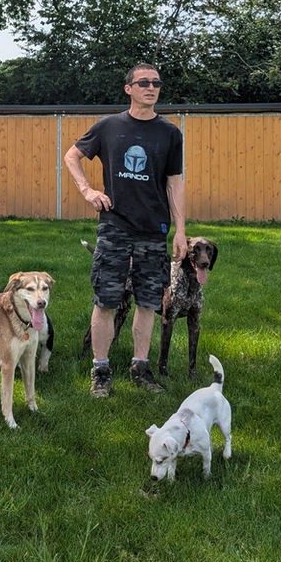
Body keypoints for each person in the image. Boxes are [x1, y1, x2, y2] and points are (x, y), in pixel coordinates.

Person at [64, 63, 187, 397]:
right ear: (128, 88)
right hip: (115, 227)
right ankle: (101, 371)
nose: (151, 88)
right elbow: (72, 156)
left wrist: (180, 230)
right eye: (144, 82)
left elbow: (174, 183)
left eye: (156, 83)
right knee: (106, 300)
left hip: (153, 230)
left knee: (148, 302)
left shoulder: (170, 133)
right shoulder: (109, 127)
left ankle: (140, 368)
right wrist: (87, 190)